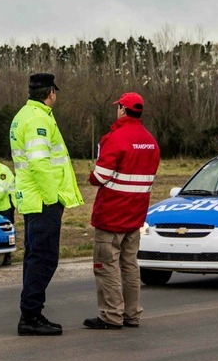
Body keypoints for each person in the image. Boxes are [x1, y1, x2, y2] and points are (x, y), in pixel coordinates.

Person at [10, 72, 83, 336]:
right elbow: (40, 162)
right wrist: (53, 198)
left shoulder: (25, 116)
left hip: (33, 200)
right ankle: (30, 316)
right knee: (43, 258)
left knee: (35, 258)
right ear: (50, 93)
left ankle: (31, 312)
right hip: (43, 201)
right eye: (55, 92)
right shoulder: (38, 119)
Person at [83, 92, 160, 330]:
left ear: (123, 110)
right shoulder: (150, 141)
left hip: (112, 215)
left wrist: (91, 176)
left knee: (106, 265)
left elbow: (99, 177)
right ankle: (132, 314)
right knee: (130, 265)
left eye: (118, 107)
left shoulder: (115, 138)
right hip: (135, 214)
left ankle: (111, 314)